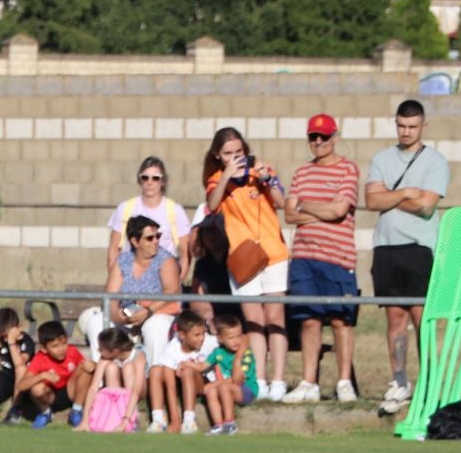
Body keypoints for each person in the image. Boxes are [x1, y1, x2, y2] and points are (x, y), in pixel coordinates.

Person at [365, 98, 449, 416]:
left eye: (412, 126)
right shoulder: (382, 158)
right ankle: (399, 381)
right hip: (386, 247)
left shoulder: (434, 161)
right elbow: (371, 201)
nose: (406, 131)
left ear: (422, 127)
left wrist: (388, 195)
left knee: (421, 315)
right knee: (394, 318)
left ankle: (430, 381)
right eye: (401, 125)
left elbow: (426, 205)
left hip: (419, 247)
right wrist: (404, 193)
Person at [203, 126, 290, 401]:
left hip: (273, 253)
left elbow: (281, 202)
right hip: (243, 258)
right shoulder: (217, 180)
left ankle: (278, 380)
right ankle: (259, 379)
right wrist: (226, 177)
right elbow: (213, 205)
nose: (235, 157)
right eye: (228, 153)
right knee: (254, 320)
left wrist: (268, 181)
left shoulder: (261, 172)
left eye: (239, 152)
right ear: (218, 156)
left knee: (275, 317)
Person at [283, 113, 361, 404]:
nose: (318, 142)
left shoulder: (348, 170)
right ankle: (308, 382)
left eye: (323, 137)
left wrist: (306, 206)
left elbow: (339, 210)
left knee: (341, 320)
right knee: (309, 320)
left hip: (337, 257)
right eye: (313, 137)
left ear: (334, 137)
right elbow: (290, 214)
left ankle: (343, 383)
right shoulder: (302, 172)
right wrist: (321, 210)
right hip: (304, 256)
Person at [106, 215, 180, 364]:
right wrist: (116, 315)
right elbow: (111, 294)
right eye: (150, 238)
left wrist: (148, 311)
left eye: (157, 236)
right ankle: (104, 378)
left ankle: (154, 376)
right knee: (98, 322)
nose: (156, 241)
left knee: (154, 327)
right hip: (128, 314)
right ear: (135, 241)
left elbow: (171, 290)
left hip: (157, 312)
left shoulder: (166, 260)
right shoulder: (123, 260)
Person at [105, 157, 193, 270]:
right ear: (140, 180)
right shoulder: (125, 208)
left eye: (155, 178)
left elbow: (185, 254)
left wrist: (176, 282)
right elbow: (114, 249)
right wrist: (115, 282)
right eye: (145, 177)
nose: (149, 182)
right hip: (130, 280)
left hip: (164, 278)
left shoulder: (175, 210)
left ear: (163, 181)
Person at [14, 318, 92, 428]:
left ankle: (76, 411)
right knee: (36, 388)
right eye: (55, 346)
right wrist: (43, 375)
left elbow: (87, 367)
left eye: (64, 343)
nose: (61, 349)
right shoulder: (40, 359)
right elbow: (21, 386)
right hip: (51, 396)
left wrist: (93, 365)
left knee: (85, 368)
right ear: (44, 348)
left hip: (70, 390)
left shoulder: (72, 351)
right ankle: (46, 413)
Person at [148, 310, 213, 434]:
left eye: (203, 333)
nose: (202, 338)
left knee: (187, 370)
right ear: (182, 335)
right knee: (155, 370)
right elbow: (170, 386)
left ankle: (189, 421)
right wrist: (175, 419)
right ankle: (158, 420)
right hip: (180, 384)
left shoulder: (210, 341)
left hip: (202, 384)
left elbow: (244, 339)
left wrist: (237, 361)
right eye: (197, 335)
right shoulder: (172, 349)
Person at [76, 327, 143, 432]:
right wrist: (85, 420)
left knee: (127, 367)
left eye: (101, 349)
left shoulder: (138, 356)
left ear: (115, 351)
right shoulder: (105, 358)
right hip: (118, 390)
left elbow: (136, 391)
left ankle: (132, 420)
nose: (99, 351)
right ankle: (113, 418)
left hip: (138, 389)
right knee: (110, 367)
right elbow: (93, 388)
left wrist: (126, 420)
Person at [203, 314, 258, 435]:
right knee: (211, 391)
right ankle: (218, 425)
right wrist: (187, 365)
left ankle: (230, 423)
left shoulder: (246, 354)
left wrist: (214, 384)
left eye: (238, 336)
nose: (236, 341)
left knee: (221, 387)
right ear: (221, 339)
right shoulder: (218, 352)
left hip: (246, 389)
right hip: (226, 387)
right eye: (231, 338)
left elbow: (239, 379)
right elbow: (203, 365)